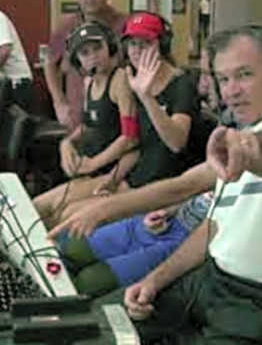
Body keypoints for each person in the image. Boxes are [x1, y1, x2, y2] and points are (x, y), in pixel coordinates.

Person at [67, 24, 262, 345]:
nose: (231, 91)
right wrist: (154, 280)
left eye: (244, 74)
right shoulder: (244, 136)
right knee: (88, 332)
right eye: (223, 79)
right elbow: (214, 226)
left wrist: (252, 146)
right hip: (213, 283)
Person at [58, 48, 219, 298]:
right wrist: (170, 210)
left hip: (183, 239)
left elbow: (174, 150)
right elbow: (189, 186)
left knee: (88, 281)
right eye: (213, 75)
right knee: (67, 248)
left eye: (211, 75)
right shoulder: (227, 130)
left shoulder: (257, 140)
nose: (204, 83)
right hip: (165, 217)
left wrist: (107, 207)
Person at [43, 12, 204, 237]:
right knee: (61, 212)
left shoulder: (180, 85)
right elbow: (137, 146)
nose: (138, 50)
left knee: (68, 221)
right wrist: (113, 180)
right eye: (133, 44)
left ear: (163, 45)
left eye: (146, 43)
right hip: (133, 177)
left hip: (163, 186)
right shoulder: (134, 80)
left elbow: (176, 142)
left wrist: (147, 97)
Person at [33, 20, 138, 226]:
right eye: (85, 53)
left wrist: (92, 163)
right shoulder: (89, 82)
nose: (93, 56)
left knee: (55, 214)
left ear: (110, 47)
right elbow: (88, 126)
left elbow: (130, 137)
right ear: (77, 61)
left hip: (115, 170)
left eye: (98, 48)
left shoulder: (120, 80)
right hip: (94, 167)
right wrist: (67, 143)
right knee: (37, 207)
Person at [45, 0, 126, 130]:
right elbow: (49, 64)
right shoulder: (65, 26)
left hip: (117, 118)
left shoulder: (125, 25)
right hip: (77, 117)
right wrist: (59, 103)